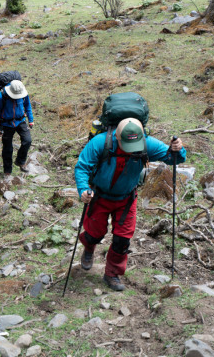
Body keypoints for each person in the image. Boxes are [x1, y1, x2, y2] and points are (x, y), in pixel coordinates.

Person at [74, 118, 185, 291]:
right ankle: (89, 247)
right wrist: (83, 189)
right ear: (117, 137)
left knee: (122, 240)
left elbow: (174, 158)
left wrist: (178, 149)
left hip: (126, 199)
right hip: (99, 196)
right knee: (94, 234)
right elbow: (82, 167)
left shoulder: (147, 143)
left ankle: (112, 274)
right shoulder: (100, 142)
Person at [0, 80, 34, 176]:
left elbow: (27, 105)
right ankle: (7, 171)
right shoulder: (0, 97)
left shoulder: (23, 93)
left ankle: (20, 161)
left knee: (27, 140)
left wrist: (30, 119)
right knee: (7, 148)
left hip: (20, 120)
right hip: (6, 124)